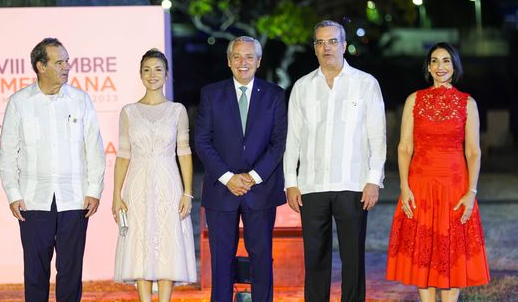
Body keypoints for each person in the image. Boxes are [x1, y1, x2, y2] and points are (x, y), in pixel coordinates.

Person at [284, 20, 386, 302]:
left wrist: (373, 180)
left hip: (353, 184)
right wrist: (291, 183)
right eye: (320, 42)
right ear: (314, 49)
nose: (326, 47)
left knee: (353, 260)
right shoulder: (302, 87)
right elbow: (293, 138)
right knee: (315, 260)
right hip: (311, 186)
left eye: (331, 41)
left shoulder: (365, 84)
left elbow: (377, 136)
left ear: (344, 45)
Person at [0, 38, 105, 302]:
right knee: (35, 271)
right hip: (33, 198)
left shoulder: (81, 100)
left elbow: (94, 148)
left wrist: (94, 190)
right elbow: (8, 153)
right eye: (59, 62)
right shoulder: (19, 102)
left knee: (70, 271)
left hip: (75, 198)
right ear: (40, 66)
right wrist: (13, 193)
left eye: (67, 61)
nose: (67, 67)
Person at [386, 42, 490, 302]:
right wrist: (404, 187)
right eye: (434, 61)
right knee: (424, 253)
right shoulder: (414, 99)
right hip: (420, 187)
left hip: (455, 189)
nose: (440, 66)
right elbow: (404, 147)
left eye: (445, 61)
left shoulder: (468, 103)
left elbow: (473, 152)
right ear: (428, 67)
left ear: (454, 67)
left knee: (451, 255)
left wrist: (471, 192)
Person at [195, 36, 287, 302]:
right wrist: (228, 178)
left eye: (249, 57)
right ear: (228, 61)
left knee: (261, 259)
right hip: (221, 191)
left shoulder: (274, 95)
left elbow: (279, 141)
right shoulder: (211, 94)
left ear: (258, 62)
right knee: (221, 261)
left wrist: (253, 177)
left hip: (261, 190)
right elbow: (202, 140)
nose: (242, 62)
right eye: (237, 56)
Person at [112, 49, 197, 301]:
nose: (152, 75)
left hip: (168, 184)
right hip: (136, 185)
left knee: (167, 242)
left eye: (158, 69)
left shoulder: (177, 110)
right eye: (147, 69)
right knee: (139, 241)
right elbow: (123, 155)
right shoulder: (128, 112)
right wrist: (117, 195)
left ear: (166, 74)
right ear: (140, 74)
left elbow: (184, 152)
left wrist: (188, 192)